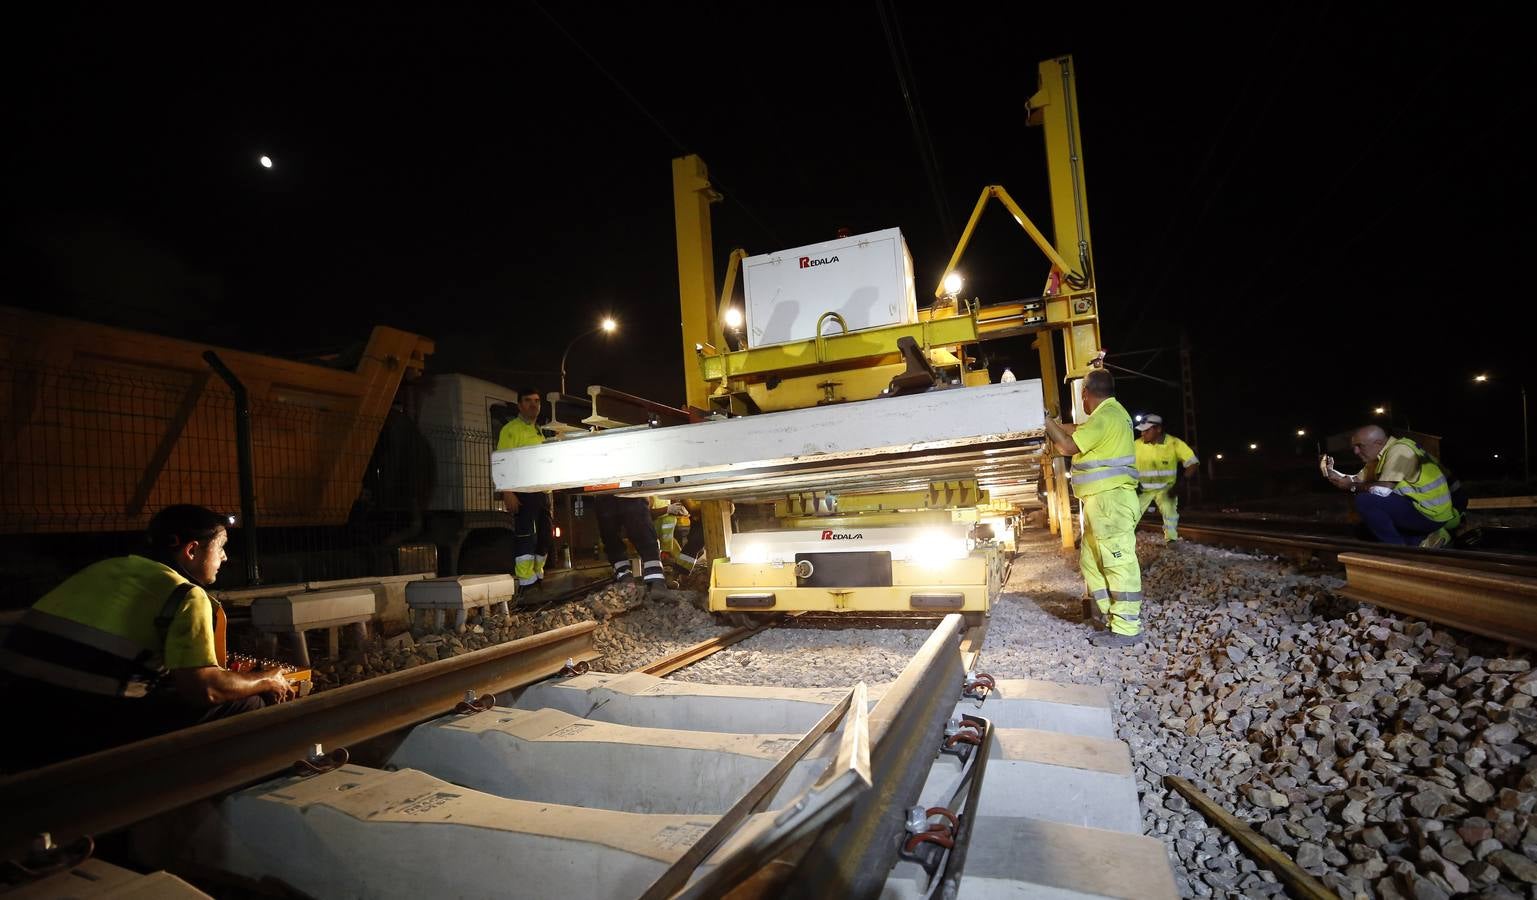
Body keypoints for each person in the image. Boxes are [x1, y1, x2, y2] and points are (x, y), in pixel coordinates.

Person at [0, 505, 295, 767]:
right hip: (83, 724)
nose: (225, 557)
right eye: (220, 547)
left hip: (17, 708)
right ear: (192, 551)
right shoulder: (186, 595)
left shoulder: (103, 568)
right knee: (248, 704)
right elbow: (205, 690)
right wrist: (267, 679)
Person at [1043, 369, 1145, 647]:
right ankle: (1113, 620)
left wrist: (1043, 419)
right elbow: (1075, 433)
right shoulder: (1111, 415)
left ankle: (1127, 627)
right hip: (1101, 502)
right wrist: (1053, 426)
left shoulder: (1107, 416)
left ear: (1085, 394)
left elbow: (1066, 445)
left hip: (1111, 501)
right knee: (1092, 561)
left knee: (1118, 561)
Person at [1322, 425, 1466, 547]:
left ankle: (1399, 551)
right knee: (1363, 530)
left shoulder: (1400, 450)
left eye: (1360, 446)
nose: (1356, 452)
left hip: (1433, 515)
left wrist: (1351, 487)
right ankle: (1424, 539)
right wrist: (1332, 473)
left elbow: (1381, 489)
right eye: (1354, 447)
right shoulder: (1378, 457)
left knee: (1365, 501)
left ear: (1378, 442)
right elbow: (1356, 480)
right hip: (1420, 511)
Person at [497, 388, 554, 589]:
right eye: (528, 400)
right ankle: (526, 583)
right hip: (522, 493)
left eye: (537, 401)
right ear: (519, 405)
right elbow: (502, 461)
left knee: (545, 537)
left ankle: (537, 576)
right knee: (525, 537)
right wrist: (507, 492)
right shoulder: (510, 430)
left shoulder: (538, 430)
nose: (533, 404)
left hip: (542, 493)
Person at [1133, 413, 1199, 542]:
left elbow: (1192, 463)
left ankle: (1171, 540)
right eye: (1141, 431)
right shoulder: (1136, 445)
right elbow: (1124, 465)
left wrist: (1183, 482)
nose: (1142, 434)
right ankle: (1124, 540)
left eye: (1146, 430)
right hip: (1142, 489)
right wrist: (1133, 483)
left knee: (1170, 513)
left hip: (1166, 489)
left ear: (1158, 429)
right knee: (1130, 515)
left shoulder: (1174, 443)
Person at [592, 494, 670, 596]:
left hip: (608, 490)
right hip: (621, 491)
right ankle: (653, 580)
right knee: (639, 528)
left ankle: (630, 577)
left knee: (611, 532)